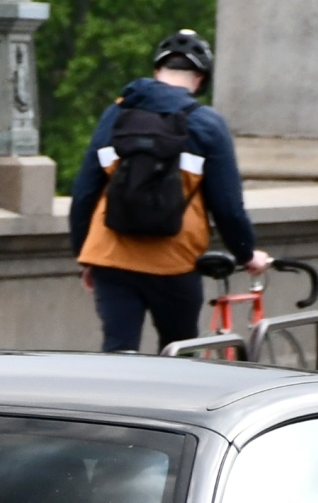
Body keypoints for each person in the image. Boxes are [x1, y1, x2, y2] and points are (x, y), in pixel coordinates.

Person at [65, 29, 274, 354]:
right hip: (175, 262)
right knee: (179, 355)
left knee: (118, 353)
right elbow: (228, 207)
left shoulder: (115, 115)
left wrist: (85, 255)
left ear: (157, 72)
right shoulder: (207, 124)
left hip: (111, 258)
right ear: (200, 79)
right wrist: (247, 254)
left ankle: (116, 405)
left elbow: (84, 191)